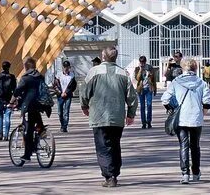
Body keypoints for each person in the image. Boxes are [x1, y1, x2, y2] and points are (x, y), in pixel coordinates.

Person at [81, 47, 137, 187]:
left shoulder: (94, 72)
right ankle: (115, 173)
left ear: (103, 56)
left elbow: (84, 91)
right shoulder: (123, 73)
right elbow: (132, 97)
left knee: (102, 146)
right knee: (115, 145)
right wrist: (131, 114)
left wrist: (84, 105)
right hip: (117, 116)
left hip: (99, 116)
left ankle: (109, 176)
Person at [162, 57, 210, 184]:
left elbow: (165, 99)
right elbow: (207, 102)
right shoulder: (201, 82)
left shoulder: (176, 82)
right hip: (196, 118)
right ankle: (196, 172)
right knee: (195, 146)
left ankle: (185, 174)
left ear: (182, 68)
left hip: (181, 118)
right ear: (195, 68)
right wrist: (203, 113)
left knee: (183, 145)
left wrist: (170, 109)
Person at [11, 57, 49, 161]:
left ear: (26, 66)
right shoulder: (40, 76)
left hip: (29, 104)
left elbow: (17, 91)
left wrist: (11, 102)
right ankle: (41, 130)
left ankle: (27, 154)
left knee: (28, 130)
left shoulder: (25, 78)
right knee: (35, 119)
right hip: (41, 104)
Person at [0, 61, 17, 141]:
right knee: (7, 117)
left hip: (0, 99)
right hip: (9, 100)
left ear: (2, 67)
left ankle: (0, 134)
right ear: (9, 67)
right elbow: (15, 89)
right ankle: (6, 135)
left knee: (0, 116)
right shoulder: (12, 77)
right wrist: (15, 99)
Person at [132, 56, 157, 129]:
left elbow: (154, 79)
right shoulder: (137, 69)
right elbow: (137, 78)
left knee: (149, 105)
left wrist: (155, 89)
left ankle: (149, 122)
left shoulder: (150, 68)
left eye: (143, 62)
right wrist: (140, 70)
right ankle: (143, 122)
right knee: (142, 106)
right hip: (141, 89)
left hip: (149, 89)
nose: (142, 64)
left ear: (145, 62)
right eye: (141, 62)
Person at [52, 60, 77, 133]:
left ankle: (64, 127)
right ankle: (62, 124)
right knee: (60, 112)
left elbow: (73, 86)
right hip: (60, 96)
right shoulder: (59, 75)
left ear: (69, 67)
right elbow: (55, 85)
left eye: (67, 67)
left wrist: (66, 92)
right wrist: (60, 92)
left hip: (68, 96)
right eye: (64, 67)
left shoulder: (72, 75)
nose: (66, 68)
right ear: (63, 67)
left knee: (66, 111)